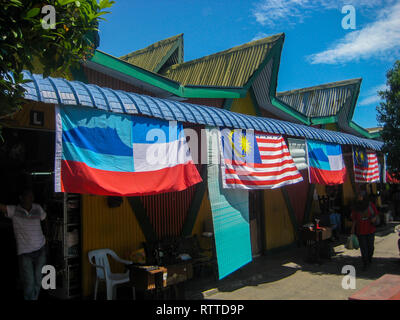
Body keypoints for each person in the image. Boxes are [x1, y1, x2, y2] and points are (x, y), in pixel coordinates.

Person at [0, 188, 47, 300]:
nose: (31, 198)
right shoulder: (14, 210)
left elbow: (44, 218)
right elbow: (2, 207)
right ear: (21, 198)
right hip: (25, 253)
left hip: (40, 249)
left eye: (32, 196)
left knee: (38, 280)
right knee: (29, 283)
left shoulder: (37, 208)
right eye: (28, 196)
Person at [351, 196, 377, 270]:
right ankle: (365, 262)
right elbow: (354, 219)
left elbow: (376, 214)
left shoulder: (370, 205)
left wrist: (373, 219)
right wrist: (352, 229)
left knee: (370, 247)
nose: (360, 197)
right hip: (360, 230)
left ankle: (369, 258)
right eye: (359, 196)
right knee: (363, 248)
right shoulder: (356, 207)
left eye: (361, 196)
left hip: (370, 229)